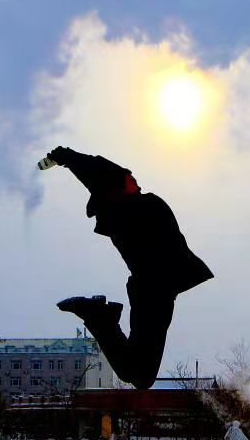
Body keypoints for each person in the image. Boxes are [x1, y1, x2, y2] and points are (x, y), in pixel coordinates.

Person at [45, 146, 213, 389]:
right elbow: (100, 171)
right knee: (140, 374)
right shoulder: (137, 207)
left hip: (154, 289)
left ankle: (101, 317)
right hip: (154, 289)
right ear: (118, 187)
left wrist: (70, 160)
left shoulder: (125, 211)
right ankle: (99, 317)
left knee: (138, 373)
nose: (137, 182)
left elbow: (99, 175)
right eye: (131, 179)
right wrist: (69, 157)